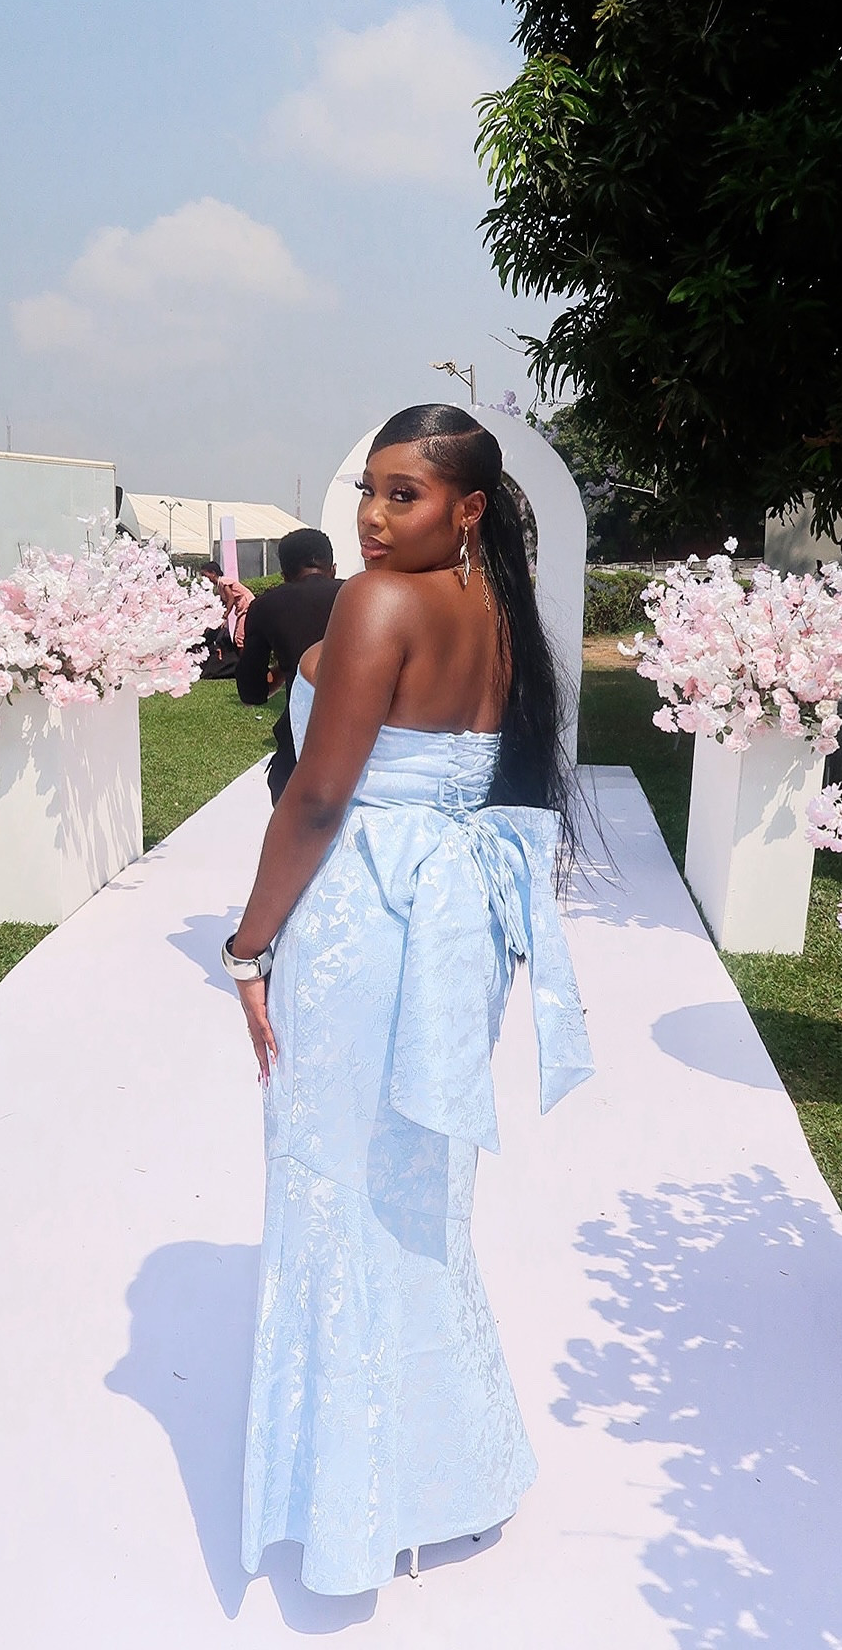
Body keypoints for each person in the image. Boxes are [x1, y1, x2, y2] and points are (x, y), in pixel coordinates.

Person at [222, 404, 594, 1596]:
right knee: (417, 1190)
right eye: (368, 495)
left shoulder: (375, 605)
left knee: (331, 1185)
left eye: (404, 496)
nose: (375, 521)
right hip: (457, 925)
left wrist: (248, 946)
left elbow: (320, 801)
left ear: (467, 507)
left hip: (366, 918)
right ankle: (446, 1472)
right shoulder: (497, 613)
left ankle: (351, 1503)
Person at [235, 528, 343, 802]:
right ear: (332, 568)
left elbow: (252, 692)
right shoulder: (361, 594)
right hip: (365, 749)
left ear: (284, 575)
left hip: (298, 749)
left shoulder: (266, 606)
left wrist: (287, 667)